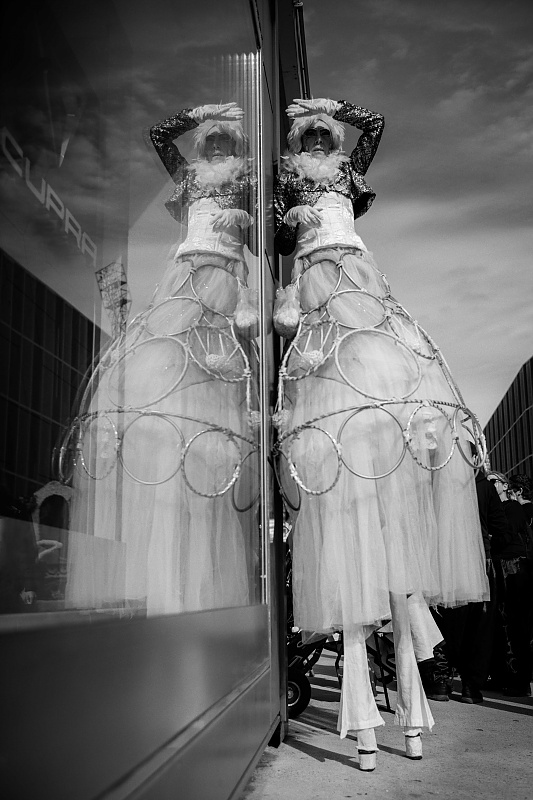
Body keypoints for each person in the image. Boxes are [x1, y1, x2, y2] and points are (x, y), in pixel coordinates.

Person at [274, 97, 489, 770]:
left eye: (323, 129)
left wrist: (334, 105)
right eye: (310, 130)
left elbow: (373, 127)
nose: (318, 135)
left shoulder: (345, 166)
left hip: (358, 285)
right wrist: (290, 224)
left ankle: (405, 719)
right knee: (360, 586)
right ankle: (373, 725)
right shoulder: (287, 179)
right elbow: (278, 240)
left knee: (392, 576)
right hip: (319, 294)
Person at [64, 103, 259, 615]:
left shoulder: (247, 180)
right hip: (184, 279)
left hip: (225, 283)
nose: (217, 145)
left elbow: (269, 236)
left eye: (225, 139)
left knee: (213, 383)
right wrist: (199, 113)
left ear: (237, 147)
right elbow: (159, 135)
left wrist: (247, 222)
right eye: (210, 138)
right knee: (160, 373)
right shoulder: (189, 175)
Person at [488, 470, 533, 696]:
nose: (490, 486)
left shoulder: (513, 507)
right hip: (501, 567)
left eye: (493, 482)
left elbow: (506, 535)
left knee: (514, 623)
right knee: (502, 623)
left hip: (513, 567)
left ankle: (520, 679)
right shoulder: (495, 510)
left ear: (505, 485)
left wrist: (490, 538)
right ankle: (505, 675)